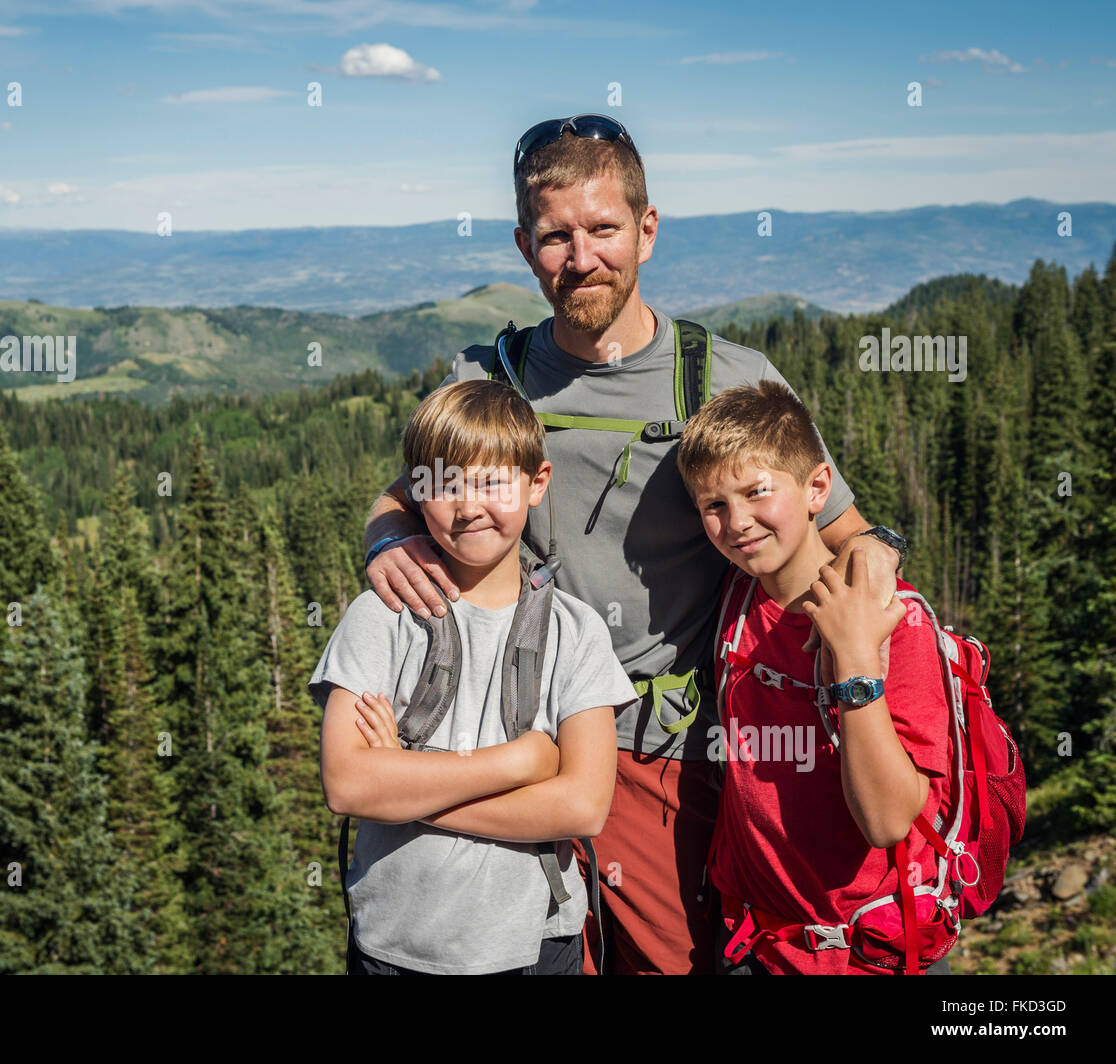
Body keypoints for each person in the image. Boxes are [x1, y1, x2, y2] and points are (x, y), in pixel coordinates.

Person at [361, 114, 904, 974]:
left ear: (647, 229)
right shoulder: (488, 379)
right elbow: (405, 492)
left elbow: (837, 524)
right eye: (554, 238)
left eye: (603, 230)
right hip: (515, 745)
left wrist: (876, 578)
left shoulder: (727, 378)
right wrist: (387, 536)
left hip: (662, 755)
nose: (580, 259)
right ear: (521, 245)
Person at [312, 378, 638, 975]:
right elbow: (349, 785)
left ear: (537, 483)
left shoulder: (577, 632)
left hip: (536, 947)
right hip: (395, 948)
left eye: (492, 481)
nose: (468, 506)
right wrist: (522, 763)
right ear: (414, 493)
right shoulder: (381, 615)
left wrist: (408, 790)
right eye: (443, 486)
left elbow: (584, 806)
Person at [674, 380, 951, 974]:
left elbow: (887, 821)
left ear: (817, 488)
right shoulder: (738, 593)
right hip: (753, 940)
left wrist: (853, 661)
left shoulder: (893, 621)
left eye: (757, 493)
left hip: (860, 952)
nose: (738, 522)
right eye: (713, 506)